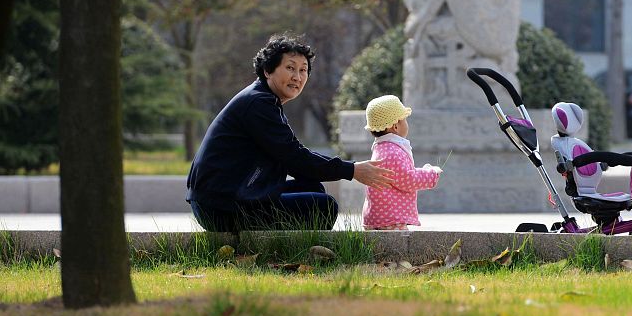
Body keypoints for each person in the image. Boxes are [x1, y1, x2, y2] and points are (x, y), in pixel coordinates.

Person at [186, 34, 394, 232]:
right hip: (222, 207)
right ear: (268, 70)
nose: (297, 77)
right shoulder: (259, 104)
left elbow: (294, 158)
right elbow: (294, 157)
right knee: (323, 206)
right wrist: (352, 170)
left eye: (303, 70)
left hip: (230, 197)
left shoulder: (264, 100)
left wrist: (348, 170)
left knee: (313, 188)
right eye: (290, 68)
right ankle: (282, 254)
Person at [361, 94, 441, 230]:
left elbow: (400, 175)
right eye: (404, 120)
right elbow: (407, 179)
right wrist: (431, 175)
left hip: (380, 217)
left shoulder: (382, 148)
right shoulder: (392, 152)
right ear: (395, 126)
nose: (406, 124)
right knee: (396, 248)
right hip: (390, 219)